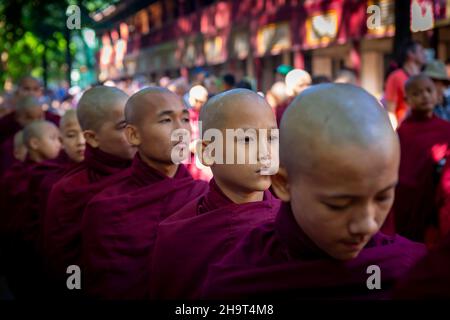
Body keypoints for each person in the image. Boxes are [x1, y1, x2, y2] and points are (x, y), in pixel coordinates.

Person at [201, 84, 426, 300]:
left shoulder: (412, 268)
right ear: (282, 183)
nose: (368, 225)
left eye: (383, 197)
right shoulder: (238, 283)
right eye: (338, 205)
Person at [150, 89, 281, 299]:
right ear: (208, 152)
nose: (265, 153)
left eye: (272, 138)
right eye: (247, 139)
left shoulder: (291, 224)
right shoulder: (178, 234)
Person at [81, 87, 209, 300]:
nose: (181, 130)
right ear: (133, 135)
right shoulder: (106, 208)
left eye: (185, 119)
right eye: (166, 121)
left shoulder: (204, 196)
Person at [42, 86, 136, 296]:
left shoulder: (158, 172)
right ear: (92, 138)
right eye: (123, 126)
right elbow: (64, 262)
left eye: (136, 122)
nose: (135, 132)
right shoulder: (69, 191)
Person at [0, 120, 61, 298]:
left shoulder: (60, 170)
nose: (60, 144)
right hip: (25, 256)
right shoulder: (17, 177)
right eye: (53, 138)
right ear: (34, 144)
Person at [391, 75, 450, 245]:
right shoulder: (403, 131)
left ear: (437, 95)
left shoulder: (446, 129)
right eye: (417, 93)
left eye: (428, 91)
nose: (424, 96)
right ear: (407, 99)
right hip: (405, 197)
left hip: (432, 198)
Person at [384, 40, 426, 128]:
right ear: (410, 54)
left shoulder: (424, 77)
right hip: (405, 129)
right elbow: (390, 110)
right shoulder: (396, 76)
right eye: (421, 51)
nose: (424, 54)